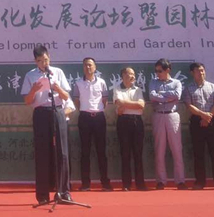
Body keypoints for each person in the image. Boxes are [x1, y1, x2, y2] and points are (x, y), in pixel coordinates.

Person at [21, 45, 72, 205]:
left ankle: (64, 192)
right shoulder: (30, 75)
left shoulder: (58, 72)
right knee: (42, 152)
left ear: (49, 57)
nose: (44, 63)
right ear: (35, 61)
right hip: (41, 113)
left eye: (45, 60)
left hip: (57, 111)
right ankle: (43, 195)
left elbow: (66, 96)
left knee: (62, 152)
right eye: (40, 61)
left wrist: (57, 87)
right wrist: (34, 90)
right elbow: (27, 101)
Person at [182, 62, 214, 190]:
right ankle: (200, 182)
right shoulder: (188, 88)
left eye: (202, 70)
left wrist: (208, 117)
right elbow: (189, 106)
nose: (201, 73)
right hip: (196, 122)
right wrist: (203, 115)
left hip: (211, 121)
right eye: (197, 71)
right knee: (198, 153)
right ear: (192, 73)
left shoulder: (212, 86)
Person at [72, 57, 112, 192]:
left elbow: (105, 100)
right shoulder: (78, 83)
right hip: (84, 118)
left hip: (99, 118)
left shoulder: (102, 82)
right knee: (85, 151)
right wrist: (85, 109)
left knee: (101, 151)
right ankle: (85, 184)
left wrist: (97, 109)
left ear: (95, 67)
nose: (88, 67)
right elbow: (76, 101)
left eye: (90, 65)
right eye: (85, 65)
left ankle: (105, 183)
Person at [148, 58, 186, 190]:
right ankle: (161, 181)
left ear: (168, 70)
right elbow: (152, 96)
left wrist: (161, 94)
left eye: (160, 71)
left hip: (172, 115)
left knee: (177, 149)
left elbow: (177, 95)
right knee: (159, 149)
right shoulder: (153, 81)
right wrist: (168, 98)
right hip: (158, 115)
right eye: (156, 71)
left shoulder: (176, 82)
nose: (157, 73)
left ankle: (180, 180)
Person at [113, 66, 147, 192]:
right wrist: (134, 104)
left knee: (138, 153)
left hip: (137, 121)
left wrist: (125, 103)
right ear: (123, 76)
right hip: (123, 122)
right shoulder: (117, 88)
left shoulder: (138, 89)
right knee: (125, 153)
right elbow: (119, 105)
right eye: (130, 74)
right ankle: (126, 184)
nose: (133, 76)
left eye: (134, 74)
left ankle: (140, 183)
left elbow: (141, 105)